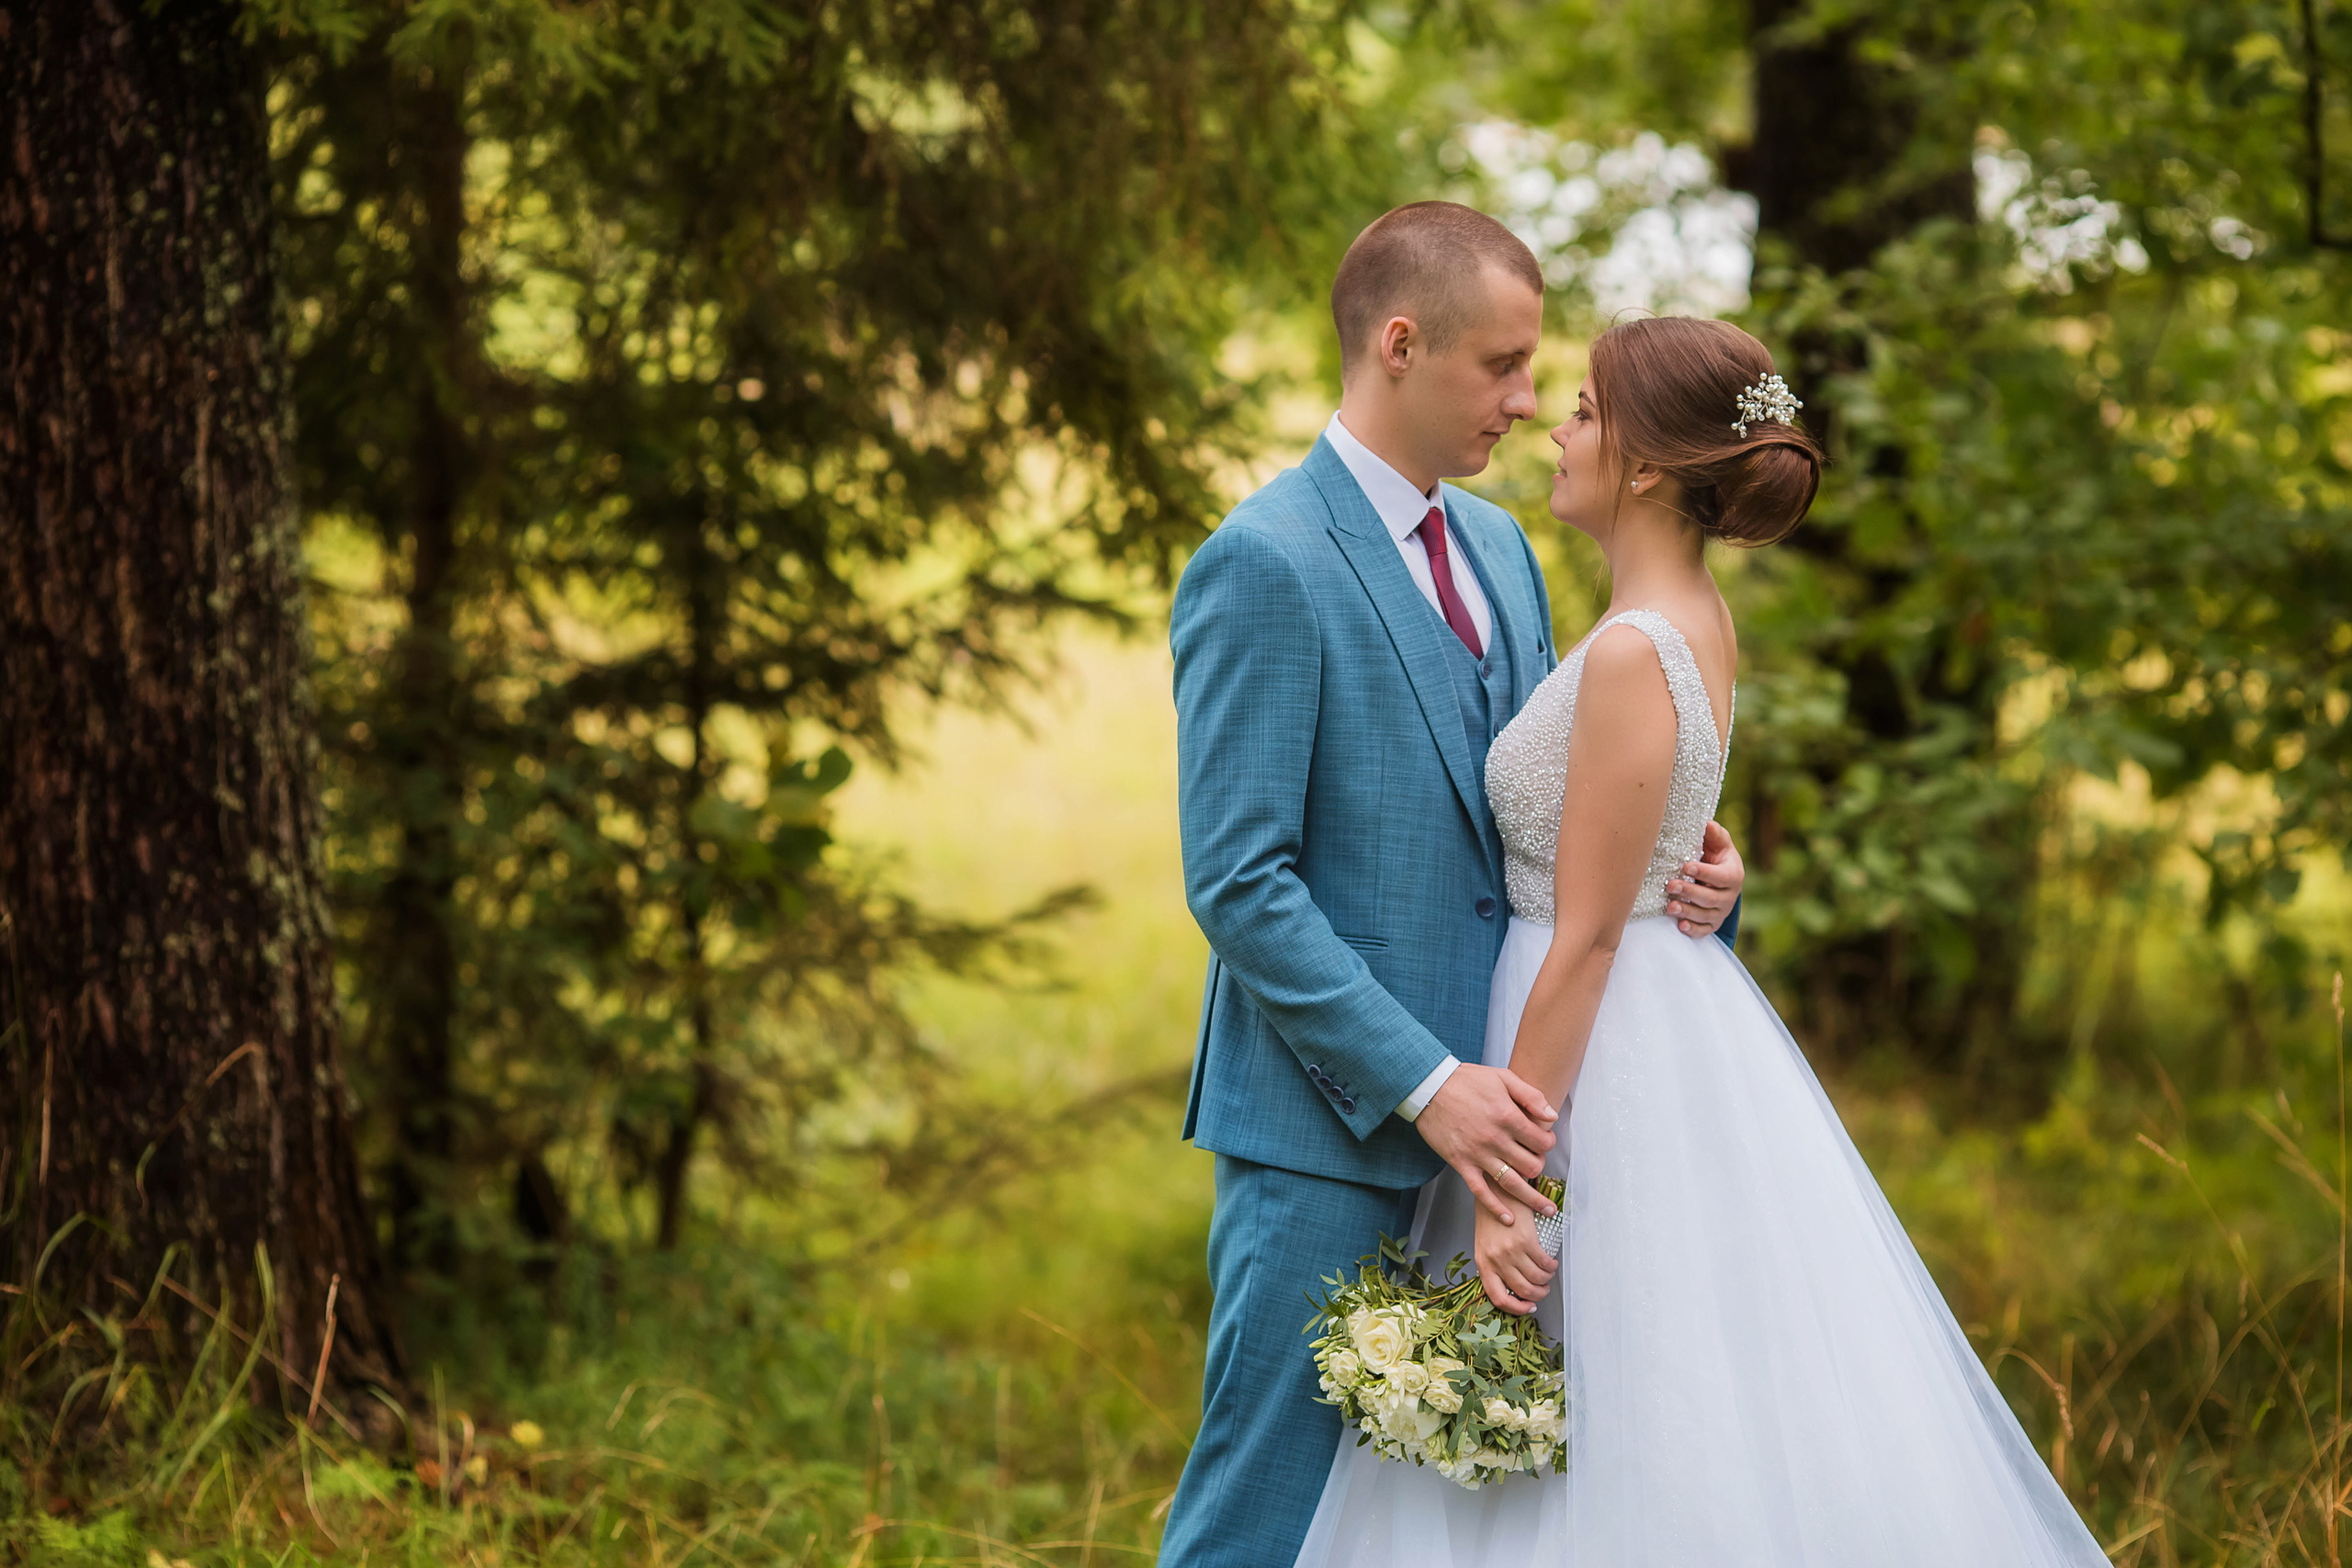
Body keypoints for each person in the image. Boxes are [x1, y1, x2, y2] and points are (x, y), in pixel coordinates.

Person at [1290, 315, 2112, 1566]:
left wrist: (1515, 1186)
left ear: (1642, 467)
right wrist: (1703, 860)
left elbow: (1586, 941)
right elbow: (1652, 829)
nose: (1552, 428)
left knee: (1615, 1391)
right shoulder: (1694, 618)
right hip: (1648, 1023)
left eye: (1578, 410)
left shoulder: (1632, 648)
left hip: (1586, 1049)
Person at [1160, 205, 1747, 1568]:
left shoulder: (1498, 550)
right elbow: (1240, 882)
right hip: (1336, 1124)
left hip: (1521, 1111)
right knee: (1268, 1508)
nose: (1529, 401)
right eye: (1502, 365)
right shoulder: (1263, 562)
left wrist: (1697, 868)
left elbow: (1540, 823)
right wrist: (1431, 1086)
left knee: (1449, 1521)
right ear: (1400, 343)